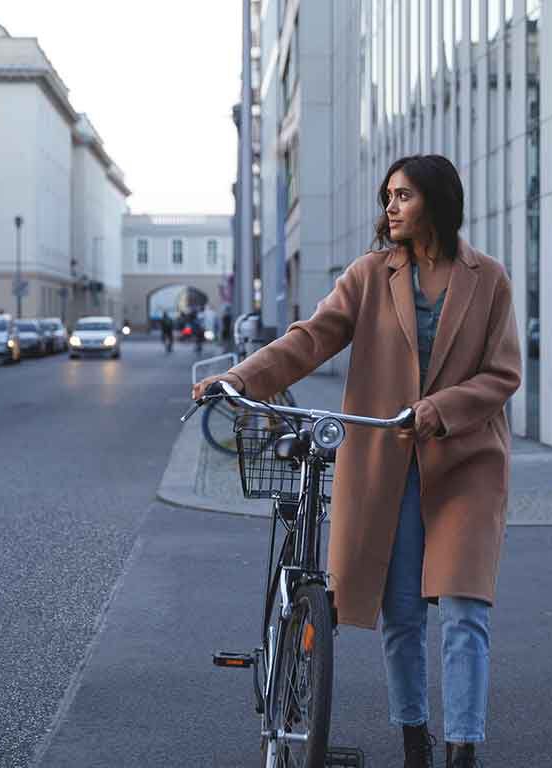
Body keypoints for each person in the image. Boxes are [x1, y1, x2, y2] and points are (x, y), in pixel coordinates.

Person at [194, 154, 520, 768]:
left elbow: (504, 373)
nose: (389, 208)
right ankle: (414, 739)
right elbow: (311, 338)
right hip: (387, 463)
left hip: (467, 463)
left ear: (437, 202)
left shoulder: (489, 279)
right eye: (386, 196)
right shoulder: (370, 275)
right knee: (400, 612)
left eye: (402, 196)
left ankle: (464, 749)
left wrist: (441, 407)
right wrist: (238, 377)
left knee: (464, 609)